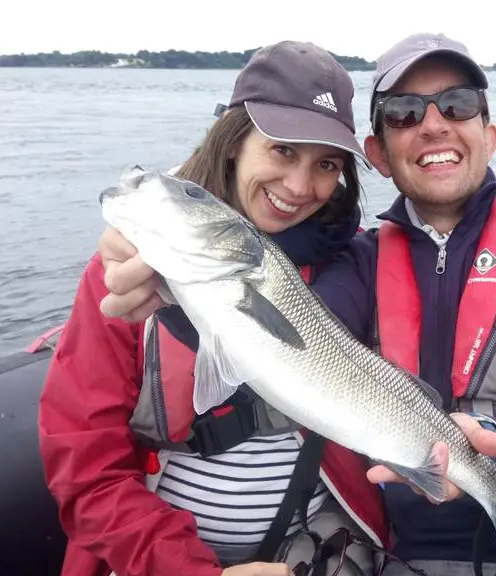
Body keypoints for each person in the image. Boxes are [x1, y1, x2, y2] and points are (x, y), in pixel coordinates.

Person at [94, 33, 496, 576]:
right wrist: (166, 283)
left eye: (458, 103)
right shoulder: (358, 261)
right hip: (424, 551)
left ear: (489, 134)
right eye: (403, 112)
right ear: (376, 151)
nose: (432, 125)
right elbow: (284, 338)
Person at [38, 40, 391, 576]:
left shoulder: (358, 263)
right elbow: (86, 468)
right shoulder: (128, 274)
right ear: (233, 141)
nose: (299, 186)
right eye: (281, 150)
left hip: (312, 548)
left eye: (326, 164)